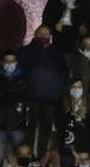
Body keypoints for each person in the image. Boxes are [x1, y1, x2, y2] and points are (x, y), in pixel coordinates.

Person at [18, 25, 66, 158]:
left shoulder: (56, 53)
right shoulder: (25, 51)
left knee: (46, 130)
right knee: (29, 131)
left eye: (47, 35)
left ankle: (41, 160)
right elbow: (22, 68)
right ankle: (25, 162)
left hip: (50, 99)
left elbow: (64, 72)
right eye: (41, 34)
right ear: (35, 34)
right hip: (31, 97)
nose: (44, 37)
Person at [0, 50, 27, 167]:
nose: (9, 64)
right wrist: (12, 93)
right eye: (7, 61)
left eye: (12, 61)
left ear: (16, 62)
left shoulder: (23, 77)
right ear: (2, 62)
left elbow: (22, 94)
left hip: (18, 123)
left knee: (22, 156)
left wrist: (7, 93)